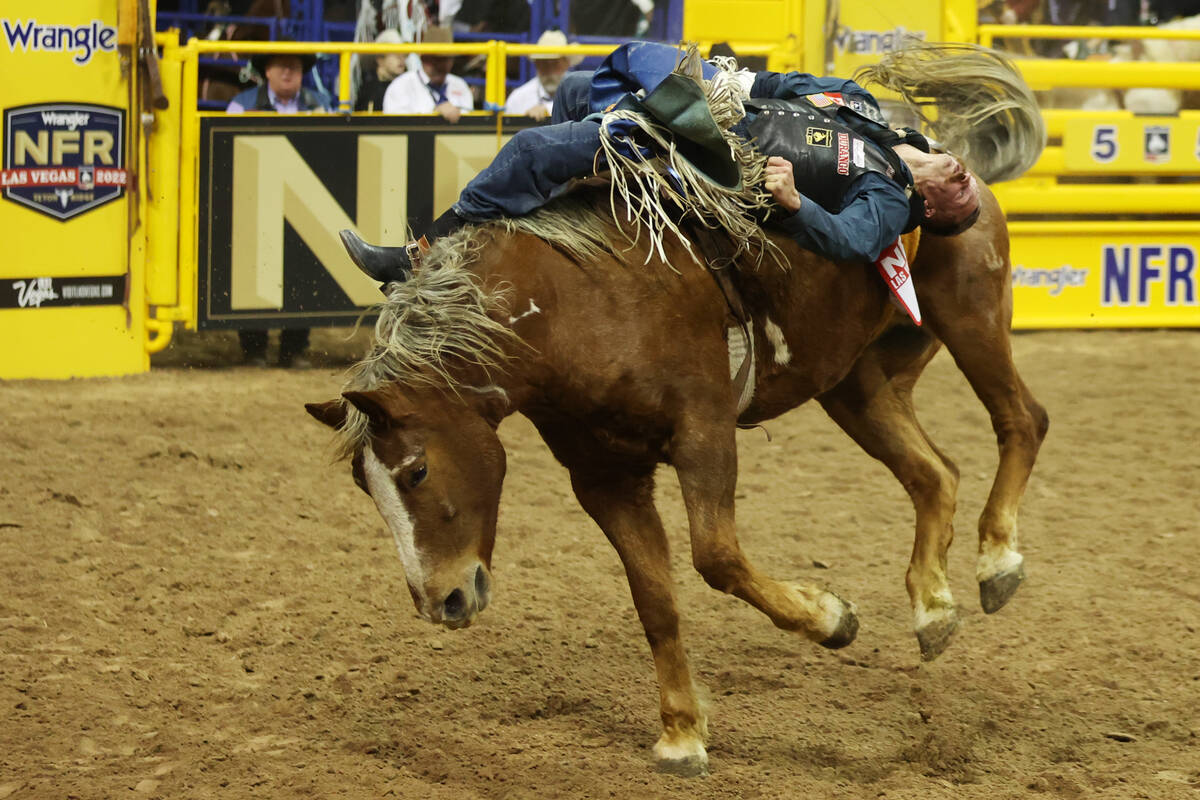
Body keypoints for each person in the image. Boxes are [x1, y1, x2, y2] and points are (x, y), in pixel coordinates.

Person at [343, 41, 981, 283]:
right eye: (969, 179)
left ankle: (423, 256)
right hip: (719, 112)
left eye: (965, 200)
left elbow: (850, 241)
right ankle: (582, 170)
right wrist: (722, 83)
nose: (965, 180)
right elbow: (787, 84)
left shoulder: (889, 197)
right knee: (574, 90)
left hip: (712, 164)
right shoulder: (865, 109)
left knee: (536, 147)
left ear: (929, 209)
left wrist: (796, 203)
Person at [226, 44, 331, 367]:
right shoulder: (239, 106)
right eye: (281, 65)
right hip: (254, 200)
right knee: (253, 270)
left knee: (302, 271)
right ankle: (254, 348)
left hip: (305, 202)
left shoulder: (320, 104)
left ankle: (293, 349)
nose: (288, 72)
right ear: (266, 71)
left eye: (295, 67)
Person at [381, 25, 474, 121]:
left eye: (444, 59)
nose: (439, 65)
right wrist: (433, 116)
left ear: (452, 61)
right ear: (423, 58)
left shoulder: (460, 86)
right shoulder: (401, 86)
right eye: (434, 59)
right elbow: (396, 128)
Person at [504, 30, 581, 121]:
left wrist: (547, 109)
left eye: (554, 63)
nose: (549, 69)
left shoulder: (579, 95)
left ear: (567, 63)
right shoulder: (518, 99)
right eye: (543, 62)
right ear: (536, 64)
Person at [355, 28, 407, 112]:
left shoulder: (408, 87)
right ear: (380, 59)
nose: (401, 58)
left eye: (404, 54)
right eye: (395, 53)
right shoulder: (369, 91)